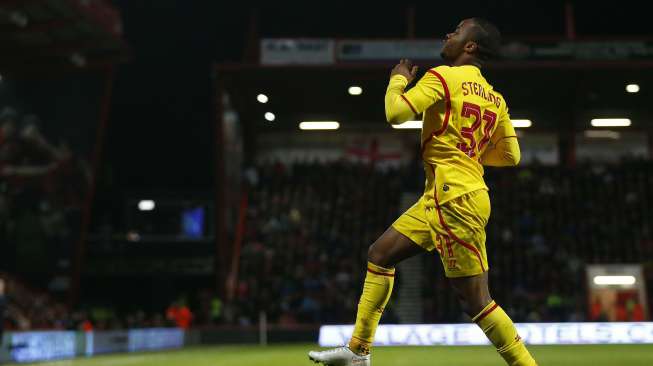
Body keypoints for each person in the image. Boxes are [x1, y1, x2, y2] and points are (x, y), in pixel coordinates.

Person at [309, 18, 536, 366]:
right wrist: (469, 152)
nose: (449, 35)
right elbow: (511, 155)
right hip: (446, 195)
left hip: (453, 198)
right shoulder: (495, 98)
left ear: (470, 46)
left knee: (476, 301)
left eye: (457, 31)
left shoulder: (443, 76)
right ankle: (358, 351)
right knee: (380, 254)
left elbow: (396, 112)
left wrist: (398, 79)